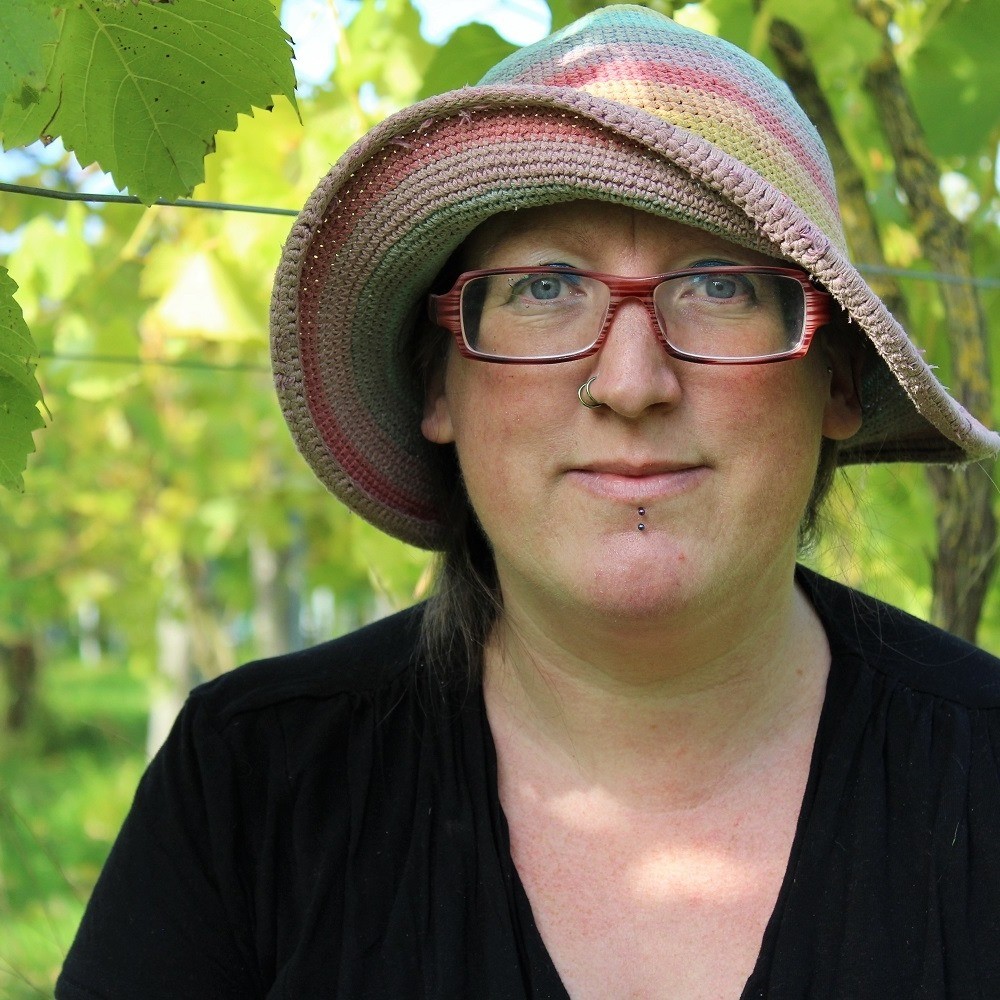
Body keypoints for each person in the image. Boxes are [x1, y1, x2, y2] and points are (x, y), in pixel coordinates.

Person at [57, 6, 1000, 999]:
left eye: (720, 287)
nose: (629, 383)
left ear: (837, 380)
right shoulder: (252, 789)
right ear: (438, 387)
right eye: (544, 288)